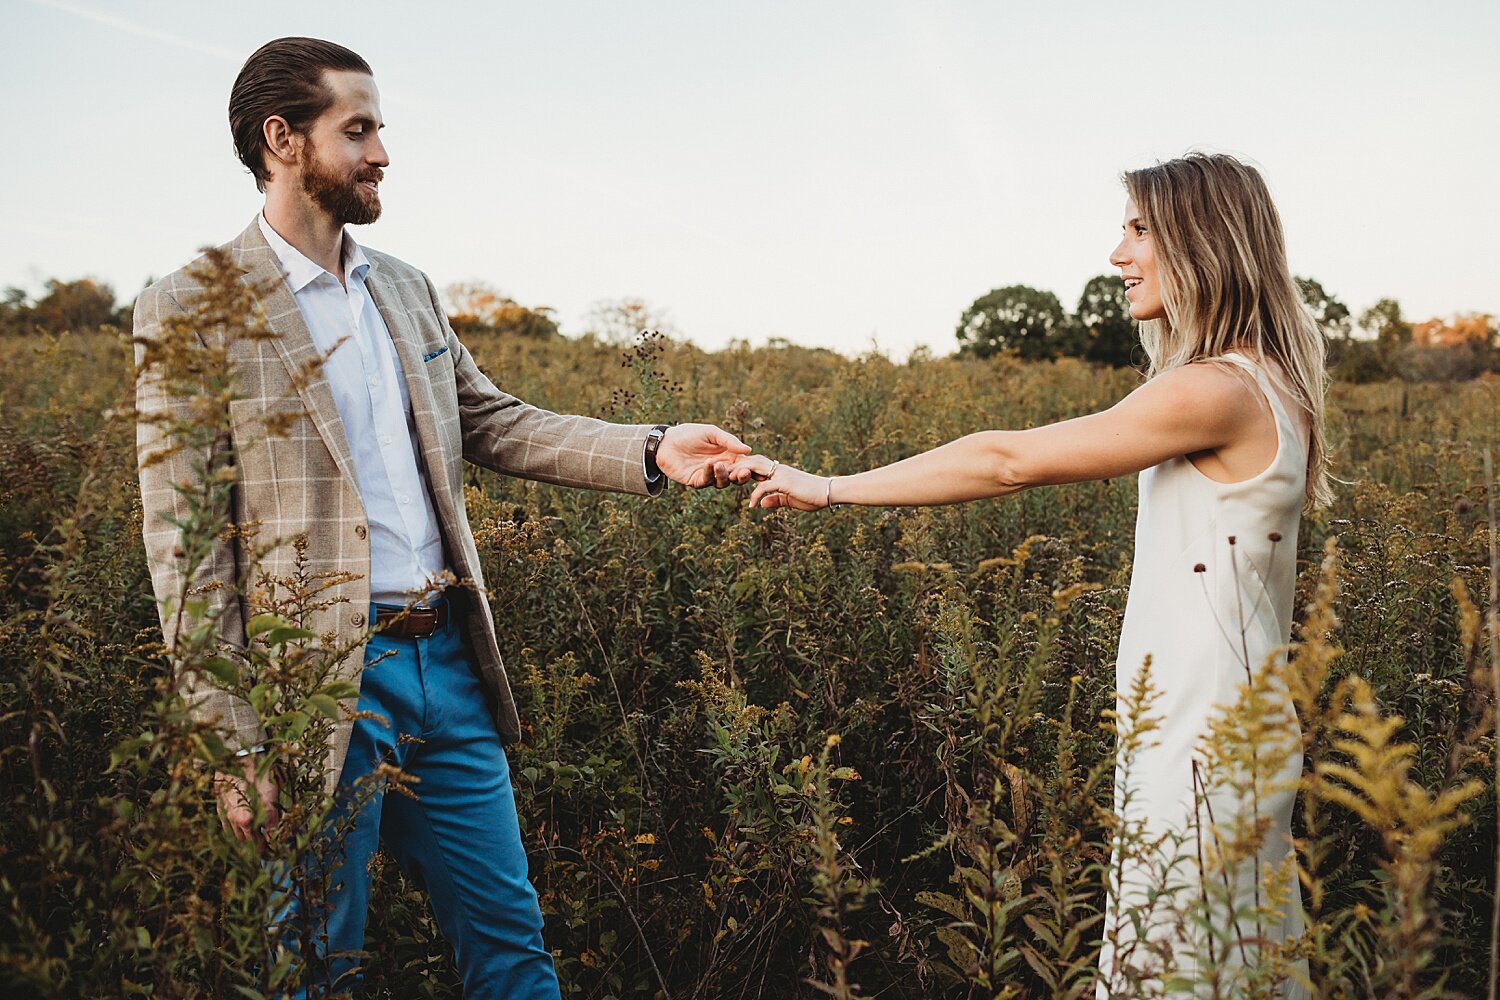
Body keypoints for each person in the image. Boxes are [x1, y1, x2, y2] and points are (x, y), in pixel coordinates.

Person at [134, 36, 749, 999]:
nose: (383, 152)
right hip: (318, 689)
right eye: (360, 128)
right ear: (281, 139)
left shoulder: (405, 290)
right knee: (315, 968)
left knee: (512, 951)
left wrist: (652, 448)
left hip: (450, 665)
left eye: (381, 128)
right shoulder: (189, 308)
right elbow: (185, 544)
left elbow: (492, 422)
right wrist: (234, 741)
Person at [725, 152, 1326, 996]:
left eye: (1139, 228)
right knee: (1235, 971)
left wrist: (826, 488)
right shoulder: (1267, 383)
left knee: (1182, 976)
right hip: (1216, 732)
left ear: (1204, 239)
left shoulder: (1216, 390)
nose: (1117, 254)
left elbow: (1007, 461)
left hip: (1203, 742)